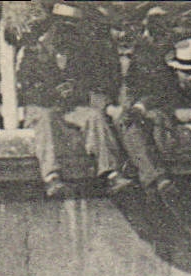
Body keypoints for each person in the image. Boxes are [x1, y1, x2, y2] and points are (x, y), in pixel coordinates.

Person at [15, 2, 130, 198]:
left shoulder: (79, 53)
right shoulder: (33, 54)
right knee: (46, 119)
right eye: (60, 26)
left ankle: (111, 173)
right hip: (43, 107)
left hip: (71, 107)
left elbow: (89, 84)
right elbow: (27, 89)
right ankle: (52, 177)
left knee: (93, 116)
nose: (65, 32)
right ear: (51, 27)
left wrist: (74, 90)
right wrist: (54, 92)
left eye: (71, 27)